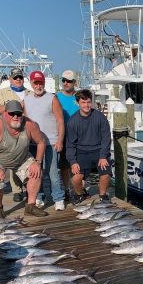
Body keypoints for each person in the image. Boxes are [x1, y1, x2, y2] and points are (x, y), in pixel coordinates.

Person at [0, 100, 48, 218]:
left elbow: (41, 142)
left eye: (18, 114)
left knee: (36, 173)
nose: (15, 117)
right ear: (5, 114)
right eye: (12, 114)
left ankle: (30, 206)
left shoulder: (30, 125)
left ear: (22, 114)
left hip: (21, 157)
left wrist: (38, 162)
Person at [23, 70, 65, 210]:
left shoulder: (52, 98)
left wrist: (60, 140)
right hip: (33, 143)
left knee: (52, 172)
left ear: (44, 83)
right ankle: (39, 197)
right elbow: (25, 122)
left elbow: (60, 120)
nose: (38, 85)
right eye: (35, 83)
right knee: (36, 172)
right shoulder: (26, 100)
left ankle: (58, 198)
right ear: (31, 84)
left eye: (40, 82)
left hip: (51, 142)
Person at [65, 89, 112, 203]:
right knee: (76, 178)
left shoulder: (100, 117)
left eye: (88, 102)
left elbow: (106, 138)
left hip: (99, 150)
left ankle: (102, 196)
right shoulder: (73, 121)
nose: (86, 105)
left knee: (105, 173)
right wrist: (73, 162)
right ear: (78, 103)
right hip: (82, 151)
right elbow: (70, 144)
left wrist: (103, 156)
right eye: (83, 102)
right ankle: (80, 194)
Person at [0, 67, 32, 202]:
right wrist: (12, 105)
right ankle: (17, 190)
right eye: (15, 77)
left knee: (27, 159)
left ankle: (30, 188)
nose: (18, 80)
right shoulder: (3, 92)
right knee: (13, 159)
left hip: (26, 129)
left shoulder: (29, 93)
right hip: (9, 131)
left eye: (20, 77)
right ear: (10, 79)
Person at [56, 69, 80, 201]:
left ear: (74, 82)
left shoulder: (79, 98)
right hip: (62, 135)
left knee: (77, 164)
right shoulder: (56, 98)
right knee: (64, 166)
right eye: (63, 80)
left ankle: (78, 190)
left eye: (69, 81)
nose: (66, 83)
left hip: (77, 136)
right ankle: (66, 190)